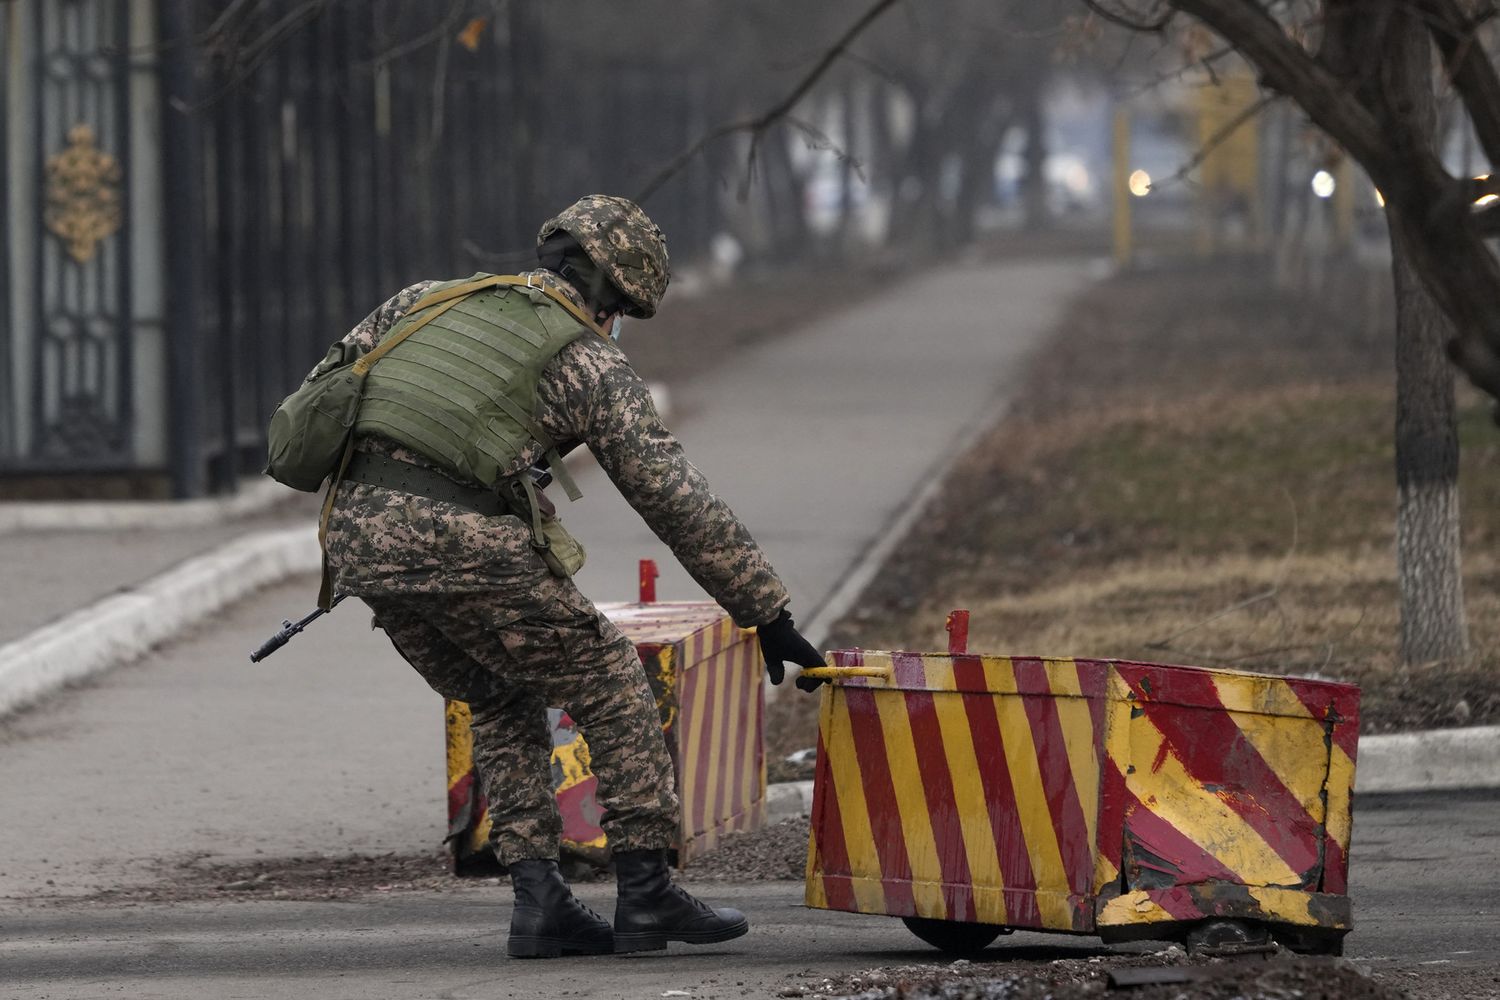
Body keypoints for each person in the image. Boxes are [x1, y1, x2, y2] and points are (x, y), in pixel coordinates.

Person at [315, 194, 825, 958]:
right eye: (620, 309)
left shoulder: (423, 302)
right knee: (611, 679)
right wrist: (767, 613)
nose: (616, 324)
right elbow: (671, 494)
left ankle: (539, 901)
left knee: (498, 687)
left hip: (354, 544)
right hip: (464, 545)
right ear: (606, 294)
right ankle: (647, 891)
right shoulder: (587, 359)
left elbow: (328, 386)